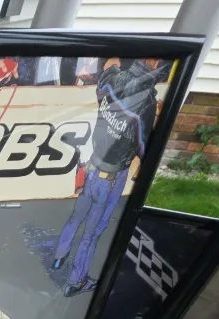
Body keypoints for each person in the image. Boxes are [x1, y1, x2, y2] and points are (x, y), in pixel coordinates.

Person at [51, 58, 165, 296]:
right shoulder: (147, 100)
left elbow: (102, 84)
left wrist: (112, 67)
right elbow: (143, 146)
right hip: (111, 176)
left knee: (76, 217)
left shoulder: (113, 78)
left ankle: (59, 258)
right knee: (91, 234)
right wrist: (158, 123)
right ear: (155, 64)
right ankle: (76, 282)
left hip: (93, 164)